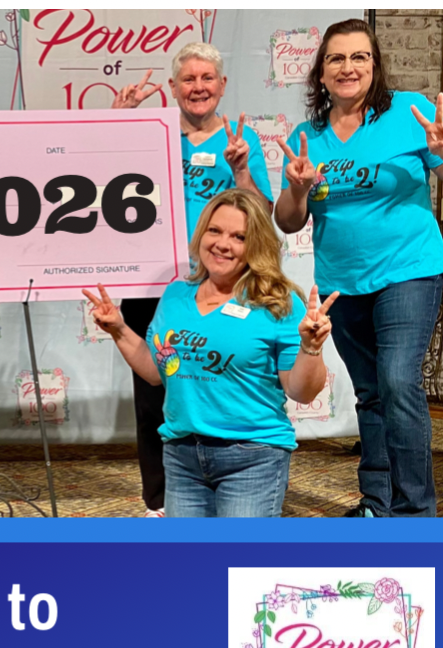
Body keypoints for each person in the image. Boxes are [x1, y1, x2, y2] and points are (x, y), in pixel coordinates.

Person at [275, 19, 443, 518]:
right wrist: (297, 188)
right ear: (321, 72)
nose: (348, 67)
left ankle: (414, 514)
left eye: (359, 57)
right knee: (370, 392)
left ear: (374, 65)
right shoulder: (307, 137)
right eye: (336, 58)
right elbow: (288, 220)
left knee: (398, 381)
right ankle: (376, 502)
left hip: (408, 270)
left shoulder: (408, 113)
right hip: (342, 282)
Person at [84, 190, 337, 518]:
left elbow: (302, 391)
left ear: (256, 244)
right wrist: (118, 329)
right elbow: (155, 372)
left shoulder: (279, 303)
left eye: (239, 237)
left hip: (252, 457)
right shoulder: (175, 296)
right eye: (214, 230)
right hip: (181, 455)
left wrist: (311, 348)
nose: (222, 244)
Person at [111, 43, 274, 516]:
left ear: (222, 85)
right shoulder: (150, 132)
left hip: (222, 283)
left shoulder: (241, 139)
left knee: (212, 381)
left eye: (207, 78)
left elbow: (262, 214)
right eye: (189, 79)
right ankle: (159, 501)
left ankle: (226, 484)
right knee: (152, 392)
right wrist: (118, 122)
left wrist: (240, 169)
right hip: (152, 283)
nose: (198, 87)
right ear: (173, 87)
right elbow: (102, 179)